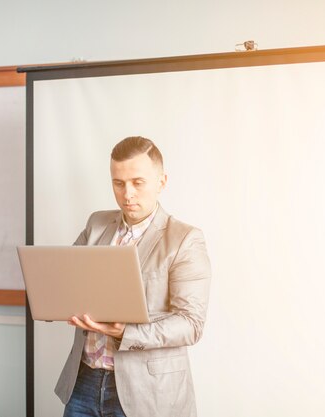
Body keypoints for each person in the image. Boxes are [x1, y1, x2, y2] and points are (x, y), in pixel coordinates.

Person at [55, 136, 211, 417]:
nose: (127, 194)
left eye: (138, 183)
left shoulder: (185, 239)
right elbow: (68, 280)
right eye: (118, 183)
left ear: (161, 182)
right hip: (84, 381)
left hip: (148, 391)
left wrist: (126, 332)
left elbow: (191, 324)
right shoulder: (96, 223)